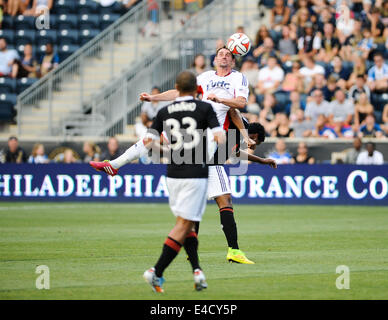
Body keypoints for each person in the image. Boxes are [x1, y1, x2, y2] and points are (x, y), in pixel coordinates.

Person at [90, 46, 263, 264]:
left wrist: (222, 103)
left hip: (203, 140)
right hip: (201, 140)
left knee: (199, 203)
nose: (224, 56)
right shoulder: (206, 77)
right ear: (215, 59)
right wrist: (154, 97)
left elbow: (239, 105)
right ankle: (232, 251)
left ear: (233, 60)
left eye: (228, 54)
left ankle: (115, 165)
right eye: (220, 53)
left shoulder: (238, 79)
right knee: (221, 199)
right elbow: (180, 92)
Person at [141, 70, 225, 293]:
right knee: (184, 224)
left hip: (172, 173)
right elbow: (221, 137)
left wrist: (170, 149)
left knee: (186, 223)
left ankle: (197, 271)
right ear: (197, 88)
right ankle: (155, 272)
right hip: (195, 173)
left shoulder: (165, 110)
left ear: (176, 88)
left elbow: (148, 142)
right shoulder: (204, 108)